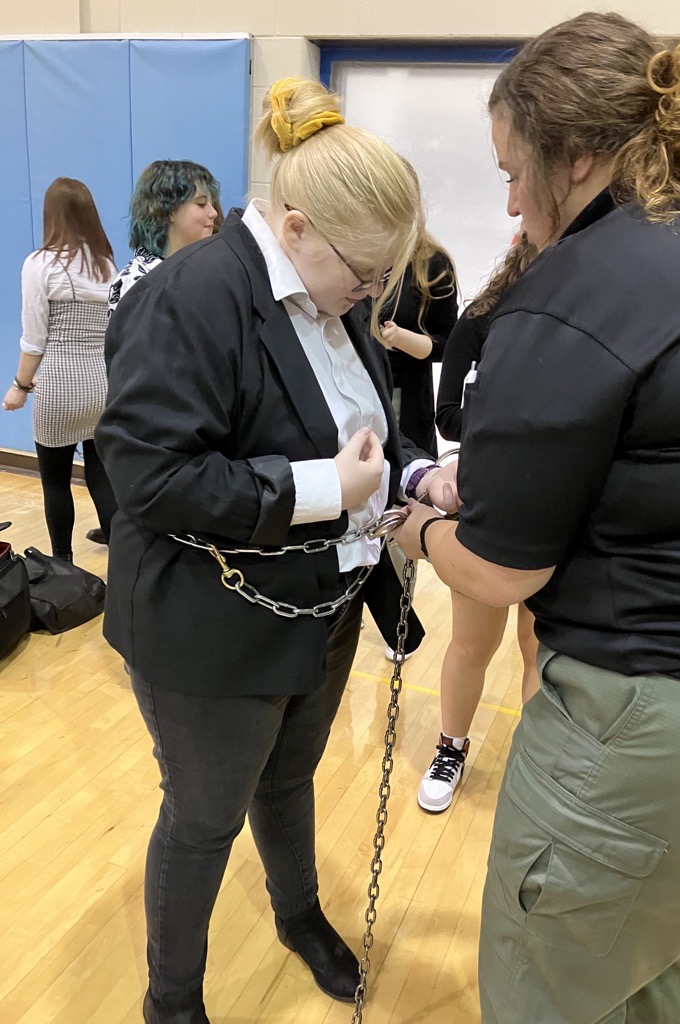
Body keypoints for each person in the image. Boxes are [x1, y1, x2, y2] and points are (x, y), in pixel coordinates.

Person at [393, 14, 680, 1023]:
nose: (510, 200)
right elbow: (672, 455)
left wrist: (411, 527)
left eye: (515, 171)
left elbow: (498, 573)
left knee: (545, 991)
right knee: (668, 967)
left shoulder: (575, 289)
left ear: (581, 154)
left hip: (647, 726)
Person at [96, 77, 457, 1024]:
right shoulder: (190, 299)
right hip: (211, 624)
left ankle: (296, 913)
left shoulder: (334, 296)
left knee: (290, 776)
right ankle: (171, 1000)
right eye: (365, 271)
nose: (373, 294)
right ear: (294, 225)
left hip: (321, 607)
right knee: (205, 816)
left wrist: (416, 478)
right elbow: (148, 478)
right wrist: (313, 490)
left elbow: (365, 426)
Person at [417, 233, 539, 814]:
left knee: (538, 645)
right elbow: (446, 415)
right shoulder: (481, 319)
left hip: (556, 507)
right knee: (473, 642)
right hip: (485, 499)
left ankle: (534, 762)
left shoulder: (594, 324)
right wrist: (501, 426)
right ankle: (451, 745)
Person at [2, 178, 118, 560]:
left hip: (59, 388)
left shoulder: (41, 264)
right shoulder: (105, 264)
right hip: (101, 386)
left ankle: (62, 563)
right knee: (100, 473)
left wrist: (19, 386)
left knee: (55, 481)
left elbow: (34, 338)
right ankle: (121, 552)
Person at [377, 170, 458, 459]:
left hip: (404, 399)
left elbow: (450, 345)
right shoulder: (353, 251)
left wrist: (400, 338)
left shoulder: (432, 265)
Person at [107, 159, 221, 315]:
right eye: (201, 204)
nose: (213, 213)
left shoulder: (201, 271)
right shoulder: (138, 281)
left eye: (211, 203)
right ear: (169, 211)